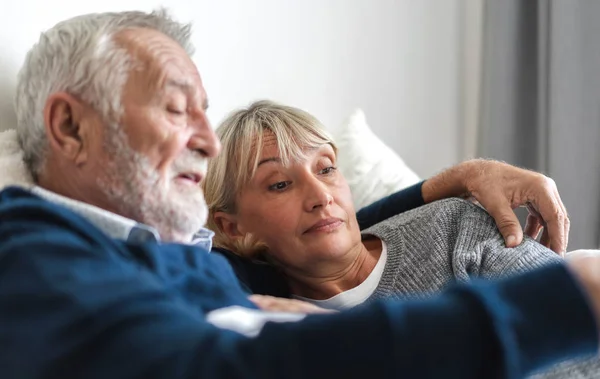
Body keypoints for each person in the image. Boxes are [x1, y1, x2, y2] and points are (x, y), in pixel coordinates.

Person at [0, 9, 598, 379]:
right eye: (178, 109)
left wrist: (445, 185)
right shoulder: (30, 255)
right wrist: (565, 300)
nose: (206, 143)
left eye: (205, 114)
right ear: (71, 128)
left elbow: (333, 232)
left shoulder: (180, 260)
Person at [204, 100, 600, 378]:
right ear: (233, 227)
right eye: (279, 184)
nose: (320, 196)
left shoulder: (452, 228)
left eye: (326, 169)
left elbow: (587, 330)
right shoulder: (264, 318)